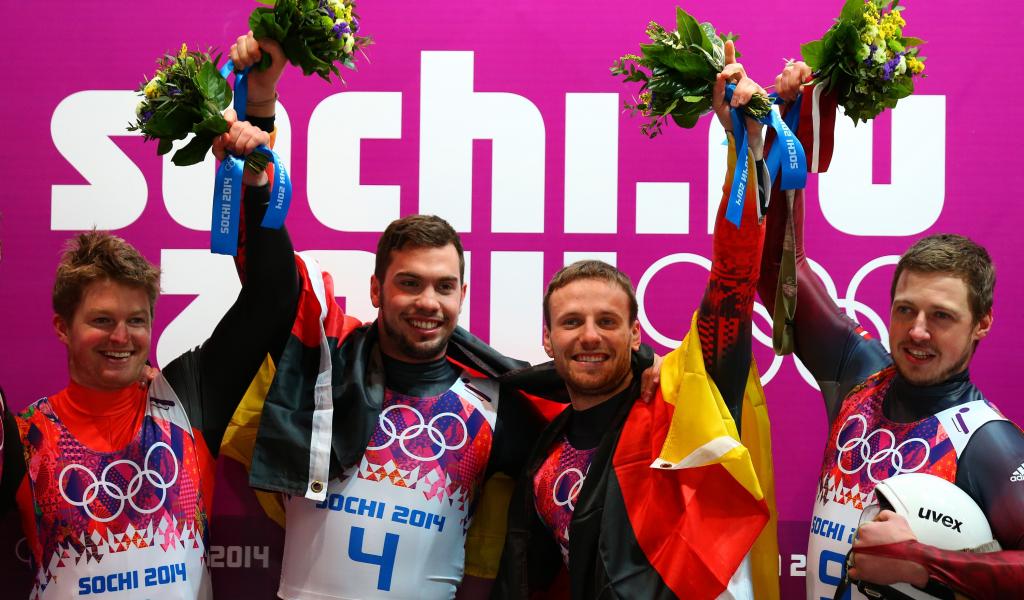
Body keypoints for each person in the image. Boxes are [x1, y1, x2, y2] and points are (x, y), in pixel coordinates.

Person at [218, 32, 576, 600]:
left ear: (462, 294)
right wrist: (259, 103)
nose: (427, 302)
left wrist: (643, 370)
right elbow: (267, 269)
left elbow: (594, 451)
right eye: (409, 283)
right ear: (376, 289)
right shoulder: (318, 365)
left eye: (443, 286)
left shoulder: (498, 404)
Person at [492, 42, 779, 599]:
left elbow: (732, 283)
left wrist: (742, 148)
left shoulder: (676, 407)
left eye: (607, 320)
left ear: (635, 334)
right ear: (547, 339)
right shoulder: (541, 439)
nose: (590, 335)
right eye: (571, 322)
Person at [0, 104, 297, 599]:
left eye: (136, 321)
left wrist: (255, 184)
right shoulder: (22, 436)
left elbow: (274, 298)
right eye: (102, 321)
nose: (122, 337)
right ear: (62, 327)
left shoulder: (186, 399)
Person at [761, 61, 1024, 600]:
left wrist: (924, 563)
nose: (917, 332)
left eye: (942, 316)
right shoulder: (858, 372)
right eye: (905, 310)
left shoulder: (989, 442)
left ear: (982, 323)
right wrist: (788, 131)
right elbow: (778, 273)